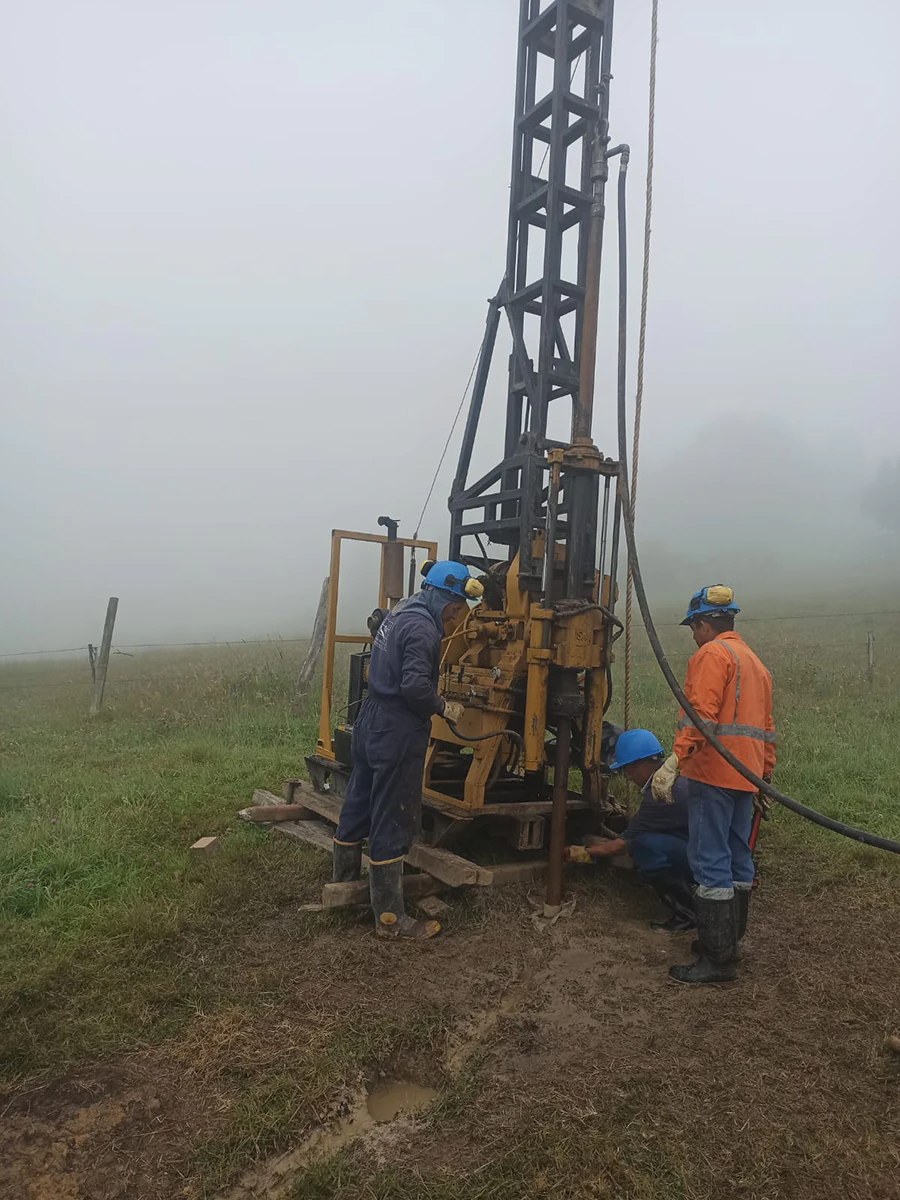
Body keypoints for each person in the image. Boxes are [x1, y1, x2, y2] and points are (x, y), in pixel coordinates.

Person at [331, 560, 481, 940]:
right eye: (455, 609)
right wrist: (443, 707)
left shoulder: (402, 611)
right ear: (446, 599)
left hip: (371, 717)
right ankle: (390, 920)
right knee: (391, 816)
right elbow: (415, 686)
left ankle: (343, 885)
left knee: (358, 801)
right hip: (396, 728)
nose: (455, 617)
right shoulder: (423, 630)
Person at [651, 585, 776, 984]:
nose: (693, 635)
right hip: (746, 776)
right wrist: (764, 777)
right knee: (739, 856)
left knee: (709, 858)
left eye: (693, 627)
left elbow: (699, 715)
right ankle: (725, 942)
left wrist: (676, 759)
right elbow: (766, 730)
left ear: (705, 624)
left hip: (714, 773)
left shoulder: (711, 655)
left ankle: (717, 960)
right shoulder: (754, 662)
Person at [574, 729, 697, 932]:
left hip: (704, 859)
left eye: (627, 769)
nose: (627, 776)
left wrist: (583, 852)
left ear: (639, 764)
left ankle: (687, 913)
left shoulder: (659, 795)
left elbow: (623, 845)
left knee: (644, 846)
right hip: (711, 851)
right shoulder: (677, 777)